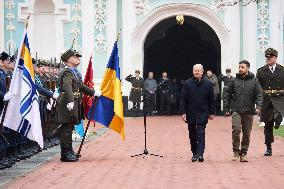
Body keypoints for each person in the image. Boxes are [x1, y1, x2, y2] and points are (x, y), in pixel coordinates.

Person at [57, 49, 101, 162]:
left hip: (73, 102)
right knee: (66, 128)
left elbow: (81, 86)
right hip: (67, 103)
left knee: (70, 127)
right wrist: (70, 101)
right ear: (69, 59)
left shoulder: (74, 71)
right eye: (75, 57)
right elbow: (67, 87)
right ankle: (65, 154)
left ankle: (69, 151)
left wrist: (93, 92)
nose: (78, 58)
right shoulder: (67, 72)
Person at [224, 60, 263, 162]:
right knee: (236, 130)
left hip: (249, 110)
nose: (240, 69)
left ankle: (244, 153)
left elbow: (259, 94)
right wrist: (226, 108)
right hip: (236, 110)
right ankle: (236, 152)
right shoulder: (233, 80)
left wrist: (259, 106)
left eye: (242, 67)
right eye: (239, 67)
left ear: (248, 68)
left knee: (246, 133)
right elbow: (227, 94)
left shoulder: (254, 81)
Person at [181, 64, 215, 162]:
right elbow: (183, 99)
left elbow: (211, 99)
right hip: (190, 112)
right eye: (195, 70)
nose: (197, 72)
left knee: (201, 133)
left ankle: (200, 154)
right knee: (192, 134)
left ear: (202, 71)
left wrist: (211, 112)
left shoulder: (208, 84)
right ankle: (194, 153)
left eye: (198, 70)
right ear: (193, 71)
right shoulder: (187, 83)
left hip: (203, 112)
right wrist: (183, 112)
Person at [256, 48, 284, 156]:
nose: (268, 58)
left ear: (275, 58)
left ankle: (278, 118)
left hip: (279, 98)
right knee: (267, 126)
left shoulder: (282, 70)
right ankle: (268, 147)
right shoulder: (261, 71)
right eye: (267, 57)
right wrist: (258, 104)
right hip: (266, 99)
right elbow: (257, 88)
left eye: (271, 57)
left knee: (278, 115)